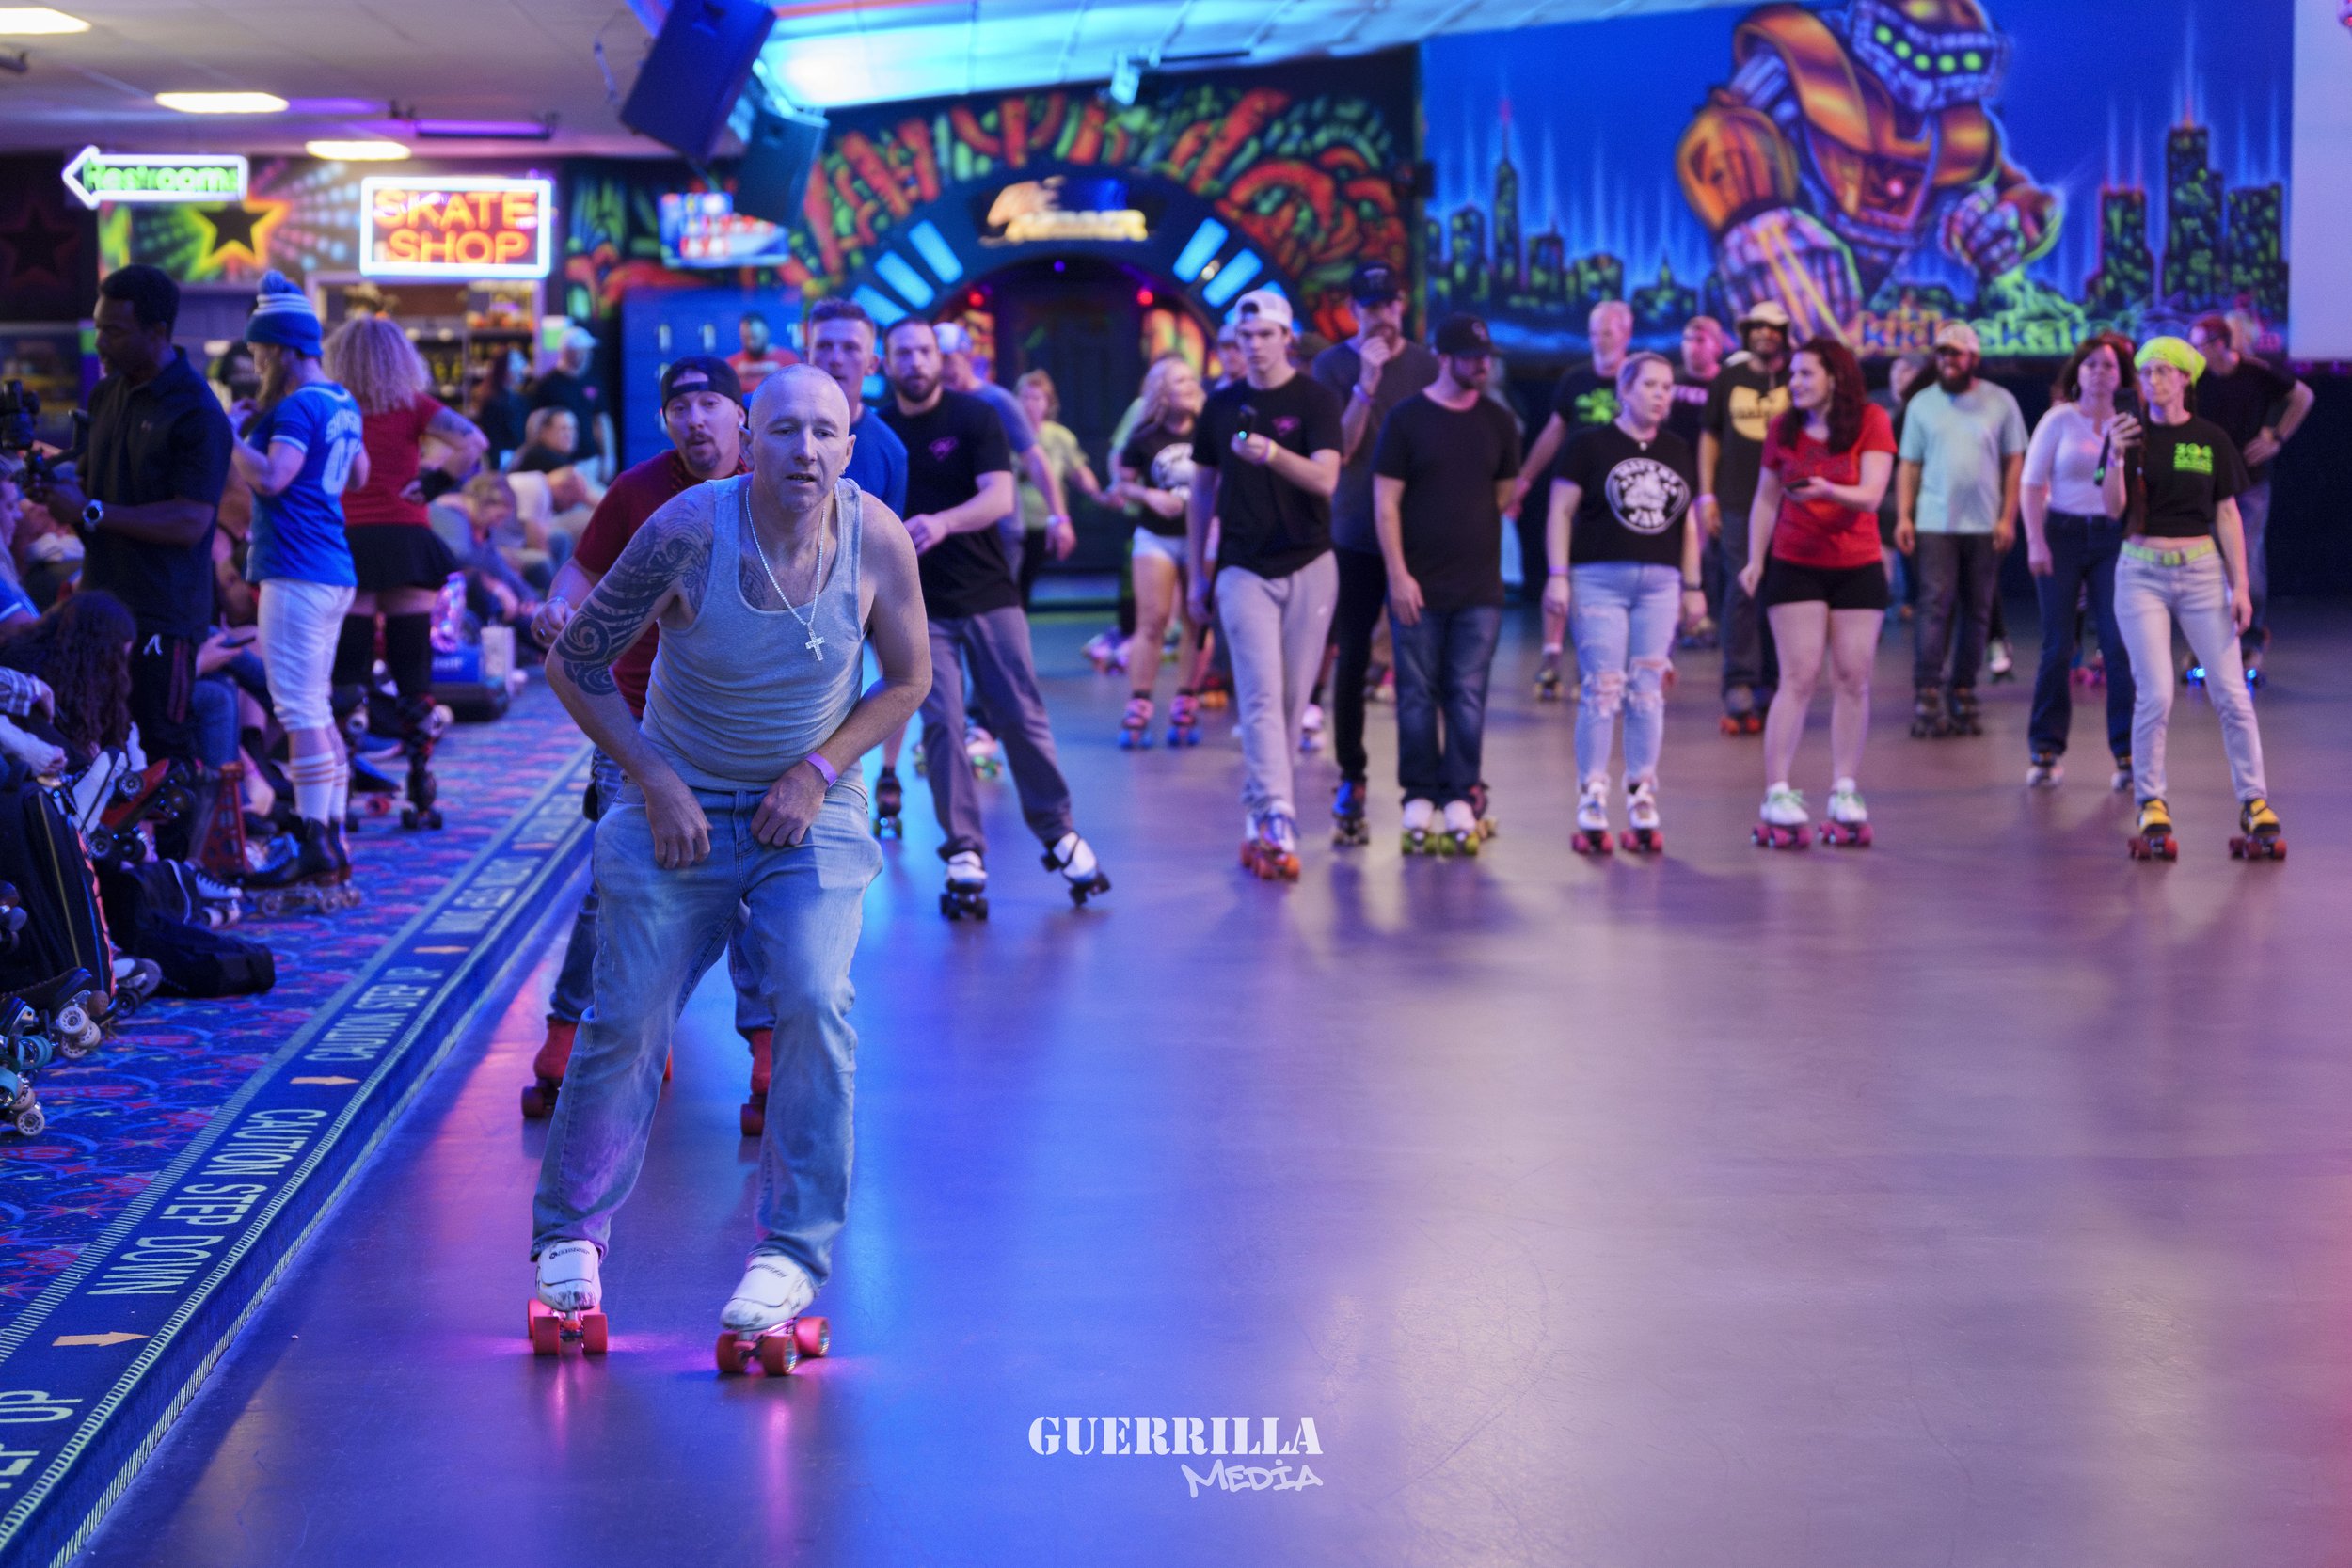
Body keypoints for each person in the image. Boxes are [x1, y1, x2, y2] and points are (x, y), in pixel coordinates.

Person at [529, 364, 931, 1345]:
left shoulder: (874, 536)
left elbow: (907, 679)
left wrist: (822, 769)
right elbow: (574, 660)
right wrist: (653, 779)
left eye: (824, 433)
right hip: (679, 797)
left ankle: (790, 1252)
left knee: (810, 999)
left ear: (848, 445)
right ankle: (569, 1238)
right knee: (626, 1016)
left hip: (810, 803)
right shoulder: (684, 529)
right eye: (784, 430)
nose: (805, 450)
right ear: (750, 440)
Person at [527, 356, 784, 1122]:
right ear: (665, 420)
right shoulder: (638, 490)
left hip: (742, 721)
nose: (697, 417)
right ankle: (574, 1028)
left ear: (740, 416)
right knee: (617, 878)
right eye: (682, 405)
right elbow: (583, 564)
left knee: (747, 884)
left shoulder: (774, 484)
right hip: (635, 715)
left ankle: (768, 1048)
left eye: (711, 402)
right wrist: (556, 606)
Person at [877, 319, 1110, 915]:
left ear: (941, 357)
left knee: (1019, 713)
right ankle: (964, 849)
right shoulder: (878, 431)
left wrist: (943, 522)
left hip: (988, 593)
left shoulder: (975, 416)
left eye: (923, 351)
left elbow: (1002, 497)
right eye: (902, 352)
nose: (915, 362)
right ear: (888, 362)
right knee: (942, 725)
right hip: (917, 605)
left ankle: (1058, 829)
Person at [25, 265, 230, 789]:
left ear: (157, 332)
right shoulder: (106, 394)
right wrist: (55, 490)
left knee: (165, 746)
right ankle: (117, 870)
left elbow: (191, 520)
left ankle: (175, 869)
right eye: (99, 328)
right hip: (100, 605)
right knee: (96, 742)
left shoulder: (198, 412)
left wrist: (89, 510)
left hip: (164, 612)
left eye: (113, 331)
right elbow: (92, 489)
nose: (100, 342)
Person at [1186, 290, 1343, 880]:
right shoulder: (1221, 403)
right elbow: (1202, 490)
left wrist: (1271, 452)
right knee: (1257, 693)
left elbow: (1326, 479)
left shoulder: (1316, 399)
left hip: (1308, 561)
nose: (1251, 347)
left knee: (1290, 700)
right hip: (1242, 565)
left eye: (1262, 336)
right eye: (1242, 338)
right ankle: (1278, 810)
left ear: (1286, 339)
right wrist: (1202, 569)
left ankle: (1260, 810)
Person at [2107, 337, 2282, 860]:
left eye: (2164, 372)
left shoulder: (2210, 438)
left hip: (2202, 571)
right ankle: (2152, 801)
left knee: (2231, 691)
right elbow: (2111, 507)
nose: (2153, 381)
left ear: (2186, 379)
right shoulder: (2128, 436)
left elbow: (2228, 513)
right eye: (2146, 373)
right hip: (2141, 571)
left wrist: (2241, 586)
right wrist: (2116, 456)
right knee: (2156, 691)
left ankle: (2254, 800)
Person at [228, 273, 368, 905]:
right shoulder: (341, 400)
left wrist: (228, 438)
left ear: (281, 349)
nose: (257, 364)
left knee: (301, 710)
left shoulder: (296, 405)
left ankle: (314, 837)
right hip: (333, 566)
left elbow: (274, 478)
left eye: (260, 354)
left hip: (294, 567)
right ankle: (331, 837)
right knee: (316, 708)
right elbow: (357, 473)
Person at [325, 316, 486, 829]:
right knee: (412, 670)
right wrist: (434, 484)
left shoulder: (331, 404)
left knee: (348, 675)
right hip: (408, 540)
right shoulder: (415, 407)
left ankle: (346, 787)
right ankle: (421, 787)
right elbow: (473, 442)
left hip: (349, 541)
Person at [1737, 337, 1897, 849]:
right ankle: (1777, 791)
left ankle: (1845, 787)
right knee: (1799, 676)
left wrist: (1826, 490)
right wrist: (1755, 559)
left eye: (1806, 374)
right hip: (1795, 562)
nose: (1795, 383)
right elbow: (1765, 499)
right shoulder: (1783, 427)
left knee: (1853, 677)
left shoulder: (1871, 420)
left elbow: (1872, 495)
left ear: (1835, 377)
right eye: (1793, 375)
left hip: (1857, 563)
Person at [1546, 352, 1705, 855]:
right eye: (1653, 386)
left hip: (1660, 583)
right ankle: (1593, 793)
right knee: (1603, 686)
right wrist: (1558, 576)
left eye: (1668, 387)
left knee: (1647, 687)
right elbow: (1560, 512)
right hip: (1599, 579)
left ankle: (1641, 791)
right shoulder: (1588, 446)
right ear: (1626, 390)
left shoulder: (1679, 449)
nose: (1664, 395)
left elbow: (1689, 524)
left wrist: (1694, 586)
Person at [1373, 314, 1520, 855]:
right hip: (1417, 582)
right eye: (1470, 356)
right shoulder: (1407, 420)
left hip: (1480, 586)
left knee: (1467, 695)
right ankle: (1418, 794)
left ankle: (1460, 792)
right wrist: (1399, 575)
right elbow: (1385, 501)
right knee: (1415, 695)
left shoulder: (1498, 423)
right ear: (1443, 357)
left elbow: (1501, 496)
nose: (1482, 365)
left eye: (1486, 357)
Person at [1310, 261, 1438, 844]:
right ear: (1354, 311)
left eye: (1388, 305)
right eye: (1368, 308)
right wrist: (1365, 381)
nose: (1379, 317)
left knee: (1421, 659)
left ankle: (1429, 780)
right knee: (1353, 653)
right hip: (1354, 529)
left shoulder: (1428, 365)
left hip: (1417, 534)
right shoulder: (1333, 365)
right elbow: (1339, 447)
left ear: (1402, 305)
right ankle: (1352, 773)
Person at [804, 299, 913, 827]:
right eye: (825, 345)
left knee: (899, 667)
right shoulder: (769, 424)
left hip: (858, 596)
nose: (836, 357)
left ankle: (885, 771)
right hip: (787, 596)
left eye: (850, 348)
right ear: (806, 350)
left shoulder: (888, 449)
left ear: (871, 363)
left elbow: (888, 543)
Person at [1892, 321, 2025, 739]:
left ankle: (1963, 688)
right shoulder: (1921, 405)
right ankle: (1928, 689)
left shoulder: (1999, 401)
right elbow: (1909, 464)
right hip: (1934, 522)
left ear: (1973, 358)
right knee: (1934, 606)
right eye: (1942, 354)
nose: (1948, 361)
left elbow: (2014, 462)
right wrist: (1904, 516)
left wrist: (2007, 517)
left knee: (1979, 610)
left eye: (1956, 354)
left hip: (1984, 523)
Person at [2022, 333, 2137, 790]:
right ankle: (2045, 749)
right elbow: (2031, 487)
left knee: (2117, 644)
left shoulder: (2130, 423)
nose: (2098, 373)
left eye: (2108, 366)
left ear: (2120, 377)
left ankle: (2127, 752)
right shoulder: (2058, 420)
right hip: (2062, 533)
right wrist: (2035, 542)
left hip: (2112, 537)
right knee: (2058, 646)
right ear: (2077, 373)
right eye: (2089, 365)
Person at [1514, 299, 1634, 697]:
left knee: (1622, 581)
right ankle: (1551, 660)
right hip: (1577, 494)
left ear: (1626, 334)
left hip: (1625, 499)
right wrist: (1525, 479)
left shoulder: (1639, 380)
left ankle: (1622, 663)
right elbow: (1553, 432)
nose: (1599, 340)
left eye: (1607, 332)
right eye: (1594, 332)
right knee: (1560, 572)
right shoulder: (1574, 380)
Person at [2185, 314, 2314, 677]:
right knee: (2206, 565)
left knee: (2246, 560)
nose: (2195, 354)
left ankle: (2250, 641)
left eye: (2199, 346)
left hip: (2249, 482)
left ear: (2218, 345)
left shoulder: (2256, 373)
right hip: (2206, 484)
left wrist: (2276, 436)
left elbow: (2303, 396)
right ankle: (2207, 646)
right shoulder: (2195, 381)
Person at [1700, 300, 1793, 733]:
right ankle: (1738, 682)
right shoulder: (1729, 377)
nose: (1764, 334)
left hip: (1790, 503)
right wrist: (1706, 496)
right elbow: (1710, 437)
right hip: (1737, 500)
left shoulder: (1796, 378)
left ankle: (1771, 683)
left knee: (1780, 592)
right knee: (1741, 590)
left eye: (1773, 328)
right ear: (1746, 332)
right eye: (1757, 327)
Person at [1109, 356, 1208, 749]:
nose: (1183, 388)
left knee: (1198, 619)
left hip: (1200, 537)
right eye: (1174, 382)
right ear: (1160, 392)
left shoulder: (1209, 429)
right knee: (1152, 619)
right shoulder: (1144, 435)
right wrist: (1149, 495)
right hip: (1156, 535)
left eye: (1188, 381)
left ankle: (1187, 699)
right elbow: (1122, 485)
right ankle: (1140, 703)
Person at [1013, 369, 1103, 607]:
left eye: (1037, 398)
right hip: (1010, 525)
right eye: (1025, 397)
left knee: (1024, 581)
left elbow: (1080, 473)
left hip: (1043, 525)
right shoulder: (1003, 433)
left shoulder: (1060, 437)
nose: (1030, 404)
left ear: (1048, 403)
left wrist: (1101, 495)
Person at [529, 328, 607, 472]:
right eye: (583, 351)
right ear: (569, 352)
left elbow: (601, 420)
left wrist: (608, 457)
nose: (588, 355)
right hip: (557, 463)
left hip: (589, 459)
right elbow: (536, 423)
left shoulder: (592, 381)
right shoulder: (547, 384)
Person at [469, 347, 532, 468]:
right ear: (505, 368)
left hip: (518, 459)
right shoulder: (494, 402)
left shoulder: (519, 399)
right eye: (517, 362)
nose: (522, 366)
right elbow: (493, 440)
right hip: (504, 462)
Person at [727, 310, 797, 397]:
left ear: (767, 333)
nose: (750, 343)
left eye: (754, 337)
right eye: (746, 338)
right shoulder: (731, 364)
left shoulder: (788, 359)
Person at [513, 408, 579, 475]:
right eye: (563, 429)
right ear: (544, 432)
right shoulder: (538, 456)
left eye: (572, 429)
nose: (570, 434)